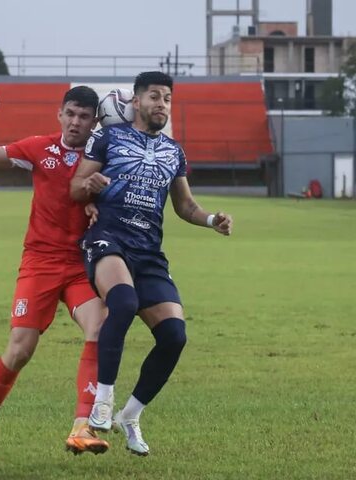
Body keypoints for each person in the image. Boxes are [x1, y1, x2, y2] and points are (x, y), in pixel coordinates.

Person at [70, 71, 233, 456]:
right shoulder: (108, 136)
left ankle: (130, 415)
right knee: (123, 302)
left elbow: (185, 206)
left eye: (167, 99)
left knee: (175, 336)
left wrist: (212, 220)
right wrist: (89, 188)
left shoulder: (175, 151)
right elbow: (76, 185)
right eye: (155, 97)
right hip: (108, 238)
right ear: (137, 102)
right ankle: (103, 402)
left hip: (148, 252)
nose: (162, 104)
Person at [0, 84, 109, 464]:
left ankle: (82, 426)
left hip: (82, 265)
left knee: (101, 326)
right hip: (40, 263)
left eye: (84, 116)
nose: (76, 122)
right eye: (71, 114)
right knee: (20, 349)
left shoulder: (105, 155)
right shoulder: (38, 148)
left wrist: (99, 204)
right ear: (60, 114)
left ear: (94, 121)